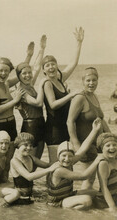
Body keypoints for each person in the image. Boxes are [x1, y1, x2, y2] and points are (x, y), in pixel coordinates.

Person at [42, 27, 84, 164]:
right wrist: (70, 95)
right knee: (55, 165)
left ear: (56, 65)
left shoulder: (59, 79)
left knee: (66, 163)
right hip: (53, 129)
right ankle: (51, 186)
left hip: (65, 128)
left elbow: (73, 64)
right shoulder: (48, 83)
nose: (51, 67)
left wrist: (79, 43)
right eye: (47, 65)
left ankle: (66, 186)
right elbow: (53, 105)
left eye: (53, 64)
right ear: (44, 70)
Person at [67, 67, 110, 189]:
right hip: (85, 144)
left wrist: (111, 138)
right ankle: (82, 204)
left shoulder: (94, 96)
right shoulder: (80, 97)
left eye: (94, 80)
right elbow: (70, 121)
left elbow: (101, 120)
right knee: (88, 178)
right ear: (83, 81)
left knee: (99, 177)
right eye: (88, 80)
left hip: (98, 145)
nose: (91, 83)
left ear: (98, 80)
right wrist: (76, 145)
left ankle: (94, 205)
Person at [46, 118, 102, 209]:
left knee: (97, 193)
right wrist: (97, 160)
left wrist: (94, 130)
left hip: (68, 195)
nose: (67, 159)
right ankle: (66, 213)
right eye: (63, 156)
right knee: (87, 200)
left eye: (70, 156)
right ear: (58, 156)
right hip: (56, 202)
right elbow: (83, 176)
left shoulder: (69, 162)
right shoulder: (59, 170)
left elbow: (83, 148)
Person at [15, 35, 47, 158]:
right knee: (29, 159)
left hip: (40, 123)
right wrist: (42, 85)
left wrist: (42, 49)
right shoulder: (21, 91)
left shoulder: (30, 85)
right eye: (24, 73)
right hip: (30, 126)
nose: (28, 75)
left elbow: (37, 67)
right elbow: (38, 103)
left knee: (37, 158)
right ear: (19, 76)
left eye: (29, 73)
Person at [10, 132, 59, 201]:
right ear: (18, 145)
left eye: (31, 145)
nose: (29, 148)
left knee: (53, 198)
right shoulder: (15, 161)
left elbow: (47, 165)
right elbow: (29, 177)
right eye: (26, 145)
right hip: (20, 196)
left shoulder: (31, 157)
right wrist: (50, 169)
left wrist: (60, 162)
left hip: (30, 194)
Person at [95, 133, 117, 212]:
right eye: (108, 145)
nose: (112, 147)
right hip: (105, 201)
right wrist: (112, 207)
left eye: (114, 145)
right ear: (102, 148)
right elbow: (104, 187)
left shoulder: (115, 159)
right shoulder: (104, 163)